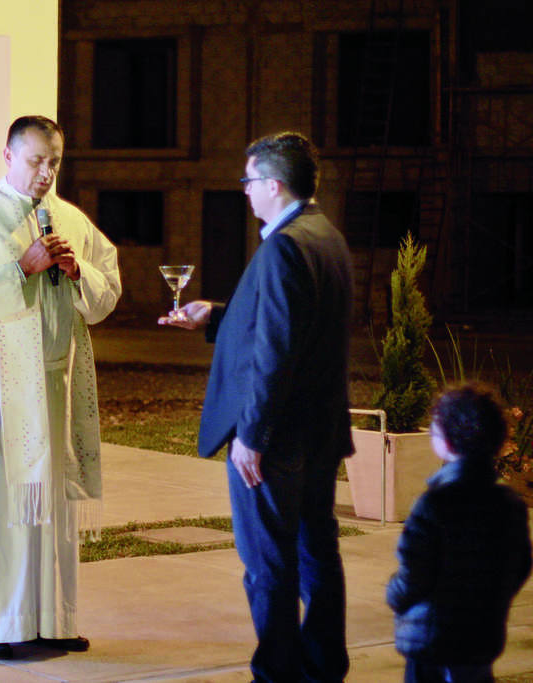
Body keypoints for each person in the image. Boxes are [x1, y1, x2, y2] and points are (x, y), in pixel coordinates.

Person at [160, 131, 355, 682]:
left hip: (279, 438)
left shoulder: (283, 247)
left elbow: (275, 353)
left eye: (249, 181)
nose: (244, 191)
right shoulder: (326, 236)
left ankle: (277, 673)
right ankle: (323, 668)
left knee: (270, 562)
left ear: (274, 184)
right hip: (319, 431)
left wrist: (252, 436)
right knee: (318, 552)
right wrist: (217, 315)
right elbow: (288, 324)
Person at [0, 115, 121, 660]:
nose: (46, 172)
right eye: (36, 160)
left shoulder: (71, 220)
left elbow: (107, 288)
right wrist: (21, 268)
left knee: (52, 507)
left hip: (55, 381)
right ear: (9, 156)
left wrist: (78, 270)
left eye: (54, 162)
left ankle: (50, 618)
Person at [387, 383, 532, 683]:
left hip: (431, 638)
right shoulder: (510, 505)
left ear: (448, 440)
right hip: (481, 637)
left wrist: (395, 595)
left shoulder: (434, 503)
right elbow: (520, 565)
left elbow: (413, 573)